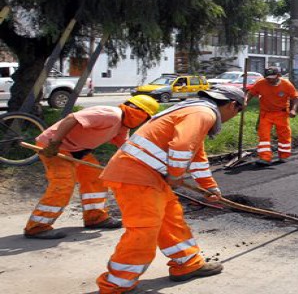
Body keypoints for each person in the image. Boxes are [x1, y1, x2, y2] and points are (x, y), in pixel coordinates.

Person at [96, 85, 245, 292]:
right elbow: (182, 146)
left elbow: (195, 154)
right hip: (136, 176)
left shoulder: (193, 109)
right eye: (238, 111)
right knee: (144, 230)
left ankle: (187, 264)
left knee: (170, 218)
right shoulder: (204, 113)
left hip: (150, 176)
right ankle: (116, 284)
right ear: (232, 105)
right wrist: (175, 175)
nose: (234, 116)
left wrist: (210, 187)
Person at [24, 95, 159, 240]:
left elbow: (125, 148)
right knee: (63, 184)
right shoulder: (110, 115)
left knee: (96, 179)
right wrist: (55, 143)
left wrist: (145, 167)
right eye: (146, 119)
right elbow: (72, 118)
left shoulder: (121, 125)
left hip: (78, 150)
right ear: (139, 114)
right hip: (56, 147)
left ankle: (95, 217)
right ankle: (37, 226)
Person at [246, 67, 298, 163]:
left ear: (278, 76)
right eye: (267, 78)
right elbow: (250, 93)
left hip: (281, 113)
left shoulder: (286, 84)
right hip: (266, 114)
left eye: (272, 77)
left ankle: (284, 155)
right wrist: (245, 101)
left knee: (284, 135)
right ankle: (265, 158)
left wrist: (293, 110)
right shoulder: (261, 83)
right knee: (264, 136)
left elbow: (295, 98)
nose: (269, 80)